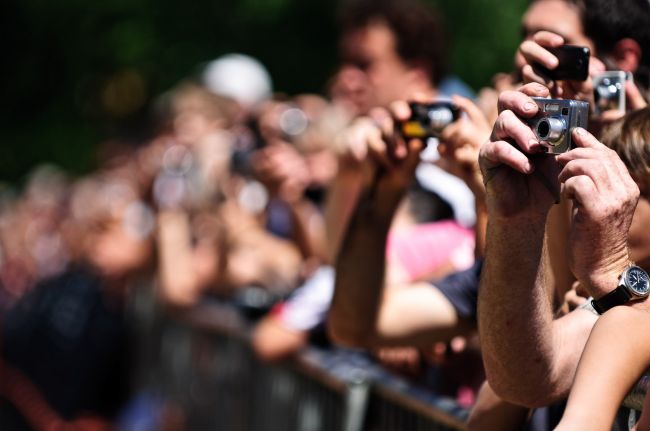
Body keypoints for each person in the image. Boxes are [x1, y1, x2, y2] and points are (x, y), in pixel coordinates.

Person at [477, 80, 646, 414]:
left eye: (625, 179)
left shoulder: (623, 301)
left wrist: (614, 275)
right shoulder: (619, 306)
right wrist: (517, 219)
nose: (597, 188)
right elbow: (526, 378)